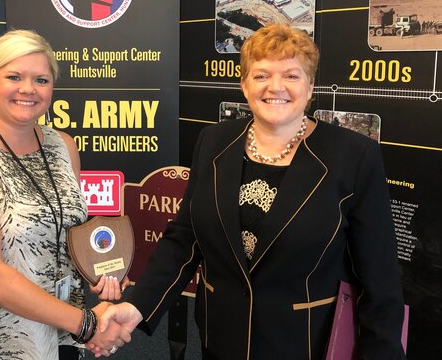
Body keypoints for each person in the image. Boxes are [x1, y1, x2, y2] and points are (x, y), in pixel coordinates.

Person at [97, 24, 406, 360]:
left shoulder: (353, 157)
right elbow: (184, 240)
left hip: (303, 345)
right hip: (221, 339)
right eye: (261, 76)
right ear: (244, 85)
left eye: (292, 75)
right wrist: (138, 304)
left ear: (311, 86)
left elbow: (380, 276)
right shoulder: (213, 142)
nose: (276, 87)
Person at [0, 29, 129, 359]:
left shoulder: (62, 145)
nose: (28, 89)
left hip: (63, 329)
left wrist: (98, 270)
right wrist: (87, 325)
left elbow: (67, 231)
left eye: (41, 79)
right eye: (14, 76)